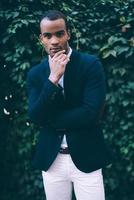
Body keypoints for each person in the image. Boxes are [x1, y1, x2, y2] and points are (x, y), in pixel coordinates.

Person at [27, 10, 112, 200]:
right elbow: (34, 116)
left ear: (68, 34)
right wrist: (53, 79)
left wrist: (50, 119)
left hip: (87, 157)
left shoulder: (90, 65)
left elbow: (91, 113)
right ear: (41, 38)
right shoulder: (36, 74)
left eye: (59, 33)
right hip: (52, 160)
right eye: (48, 36)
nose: (54, 41)